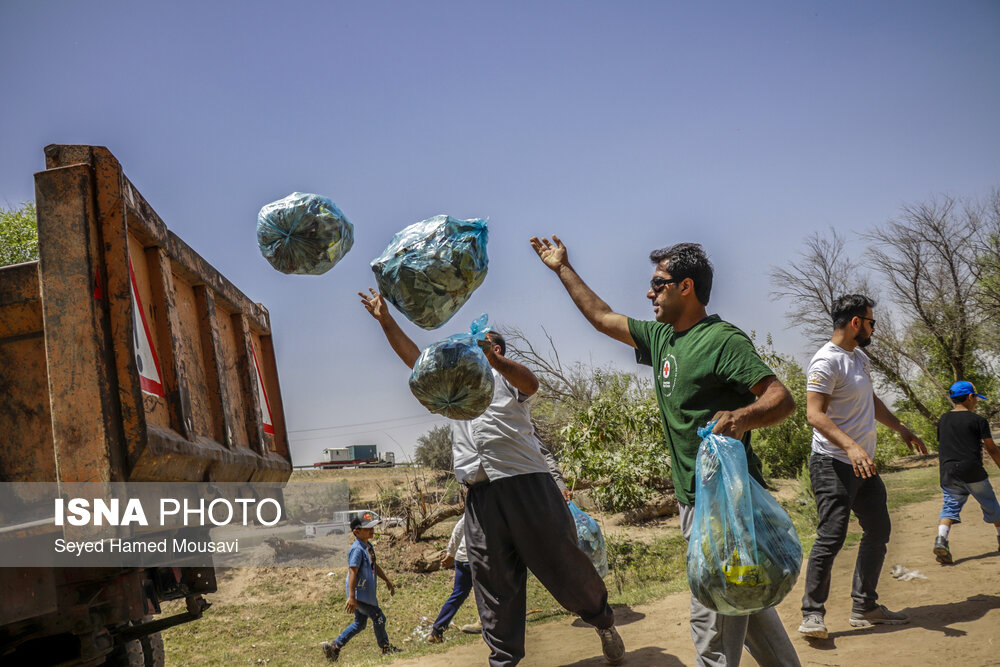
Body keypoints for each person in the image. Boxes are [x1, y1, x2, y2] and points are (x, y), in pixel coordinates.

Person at [530, 236, 800, 667]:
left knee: (711, 625)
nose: (649, 293)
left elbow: (781, 398)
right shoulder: (661, 340)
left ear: (685, 287)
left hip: (727, 508)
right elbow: (601, 317)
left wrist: (742, 417)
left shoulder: (722, 341)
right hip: (692, 503)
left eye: (658, 284)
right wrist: (562, 267)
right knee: (748, 606)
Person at [359, 288, 624, 667]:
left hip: (528, 485)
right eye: (476, 347)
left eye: (489, 347)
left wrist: (495, 361)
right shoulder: (456, 385)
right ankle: (503, 660)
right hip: (480, 497)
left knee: (563, 563)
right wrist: (386, 320)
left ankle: (602, 621)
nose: (480, 351)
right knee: (493, 581)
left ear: (499, 351)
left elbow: (532, 384)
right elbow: (417, 362)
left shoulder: (508, 379)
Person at [797, 294, 928, 639]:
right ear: (856, 322)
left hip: (862, 465)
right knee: (832, 536)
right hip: (833, 463)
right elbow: (814, 415)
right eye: (871, 322)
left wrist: (900, 427)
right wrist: (852, 447)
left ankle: (865, 606)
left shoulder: (859, 358)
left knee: (879, 529)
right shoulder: (825, 362)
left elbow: (869, 400)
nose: (873, 328)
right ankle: (812, 614)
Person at [932, 380, 1000, 564]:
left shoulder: (943, 419)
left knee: (950, 506)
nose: (976, 402)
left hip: (948, 471)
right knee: (989, 502)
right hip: (971, 470)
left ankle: (941, 540)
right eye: (976, 398)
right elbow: (992, 449)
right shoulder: (978, 420)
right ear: (970, 397)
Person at [320, 515, 402, 662]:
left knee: (360, 624)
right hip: (359, 594)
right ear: (356, 532)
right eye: (367, 528)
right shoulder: (356, 550)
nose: (372, 530)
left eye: (372, 527)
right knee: (378, 617)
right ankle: (385, 648)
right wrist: (351, 597)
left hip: (365, 594)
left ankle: (334, 647)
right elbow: (353, 572)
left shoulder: (368, 547)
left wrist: (387, 580)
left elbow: (374, 565)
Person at [428, 515, 473, 643]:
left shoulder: (473, 507)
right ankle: (491, 624)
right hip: (476, 558)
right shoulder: (483, 506)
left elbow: (458, 529)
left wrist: (451, 554)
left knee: (458, 594)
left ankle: (436, 631)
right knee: (488, 592)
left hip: (462, 557)